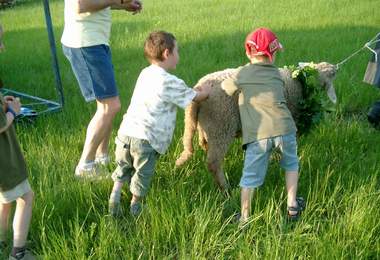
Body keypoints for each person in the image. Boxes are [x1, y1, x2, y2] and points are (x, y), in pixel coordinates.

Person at [108, 31, 212, 217]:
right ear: (166, 53)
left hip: (125, 133)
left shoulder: (145, 73)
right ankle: (135, 206)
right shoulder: (170, 81)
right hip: (146, 140)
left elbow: (181, 92)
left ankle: (114, 197)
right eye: (177, 51)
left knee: (123, 167)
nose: (178, 55)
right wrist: (207, 90)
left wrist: (190, 90)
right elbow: (195, 97)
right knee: (142, 174)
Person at [221, 28, 305, 223]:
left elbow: (226, 88)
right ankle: (292, 205)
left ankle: (244, 216)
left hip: (259, 135)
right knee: (291, 164)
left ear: (248, 52)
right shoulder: (276, 74)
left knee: (250, 176)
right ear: (273, 54)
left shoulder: (243, 73)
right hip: (286, 128)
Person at [61, 0, 143, 177]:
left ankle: (101, 157)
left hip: (94, 41)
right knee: (110, 106)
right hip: (85, 42)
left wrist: (122, 5)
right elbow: (80, 5)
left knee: (106, 105)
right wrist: (117, 1)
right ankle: (85, 166)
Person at [0, 94, 35, 260]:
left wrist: (3, 105)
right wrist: (13, 112)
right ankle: (18, 253)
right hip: (5, 163)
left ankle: (1, 242)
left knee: (4, 200)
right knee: (25, 197)